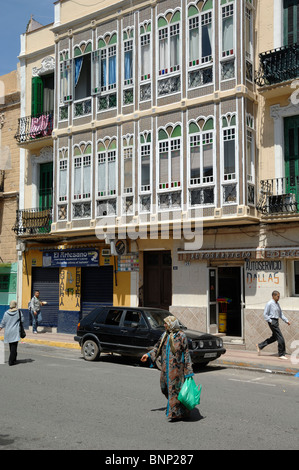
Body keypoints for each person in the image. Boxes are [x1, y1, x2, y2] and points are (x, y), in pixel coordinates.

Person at [141, 315, 194, 421]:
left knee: (174, 390)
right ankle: (179, 409)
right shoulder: (165, 335)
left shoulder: (181, 336)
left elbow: (186, 354)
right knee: (164, 387)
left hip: (177, 370)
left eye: (166, 323)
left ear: (171, 324)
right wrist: (148, 354)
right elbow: (157, 347)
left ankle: (174, 413)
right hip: (165, 368)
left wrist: (188, 370)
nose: (164, 325)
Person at [256, 290, 291, 360]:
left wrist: (286, 321)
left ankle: (260, 345)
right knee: (280, 337)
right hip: (272, 321)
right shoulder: (269, 303)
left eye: (279, 296)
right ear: (273, 296)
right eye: (278, 296)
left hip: (276, 321)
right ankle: (281, 354)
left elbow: (280, 314)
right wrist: (270, 321)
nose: (279, 298)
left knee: (275, 337)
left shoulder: (277, 304)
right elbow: (265, 314)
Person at [0, 300, 24, 366]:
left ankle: (14, 359)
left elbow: (3, 322)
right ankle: (11, 361)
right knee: (14, 346)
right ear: (15, 305)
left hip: (8, 332)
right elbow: (22, 320)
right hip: (15, 332)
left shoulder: (6, 313)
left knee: (11, 346)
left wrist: (0, 327)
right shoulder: (19, 312)